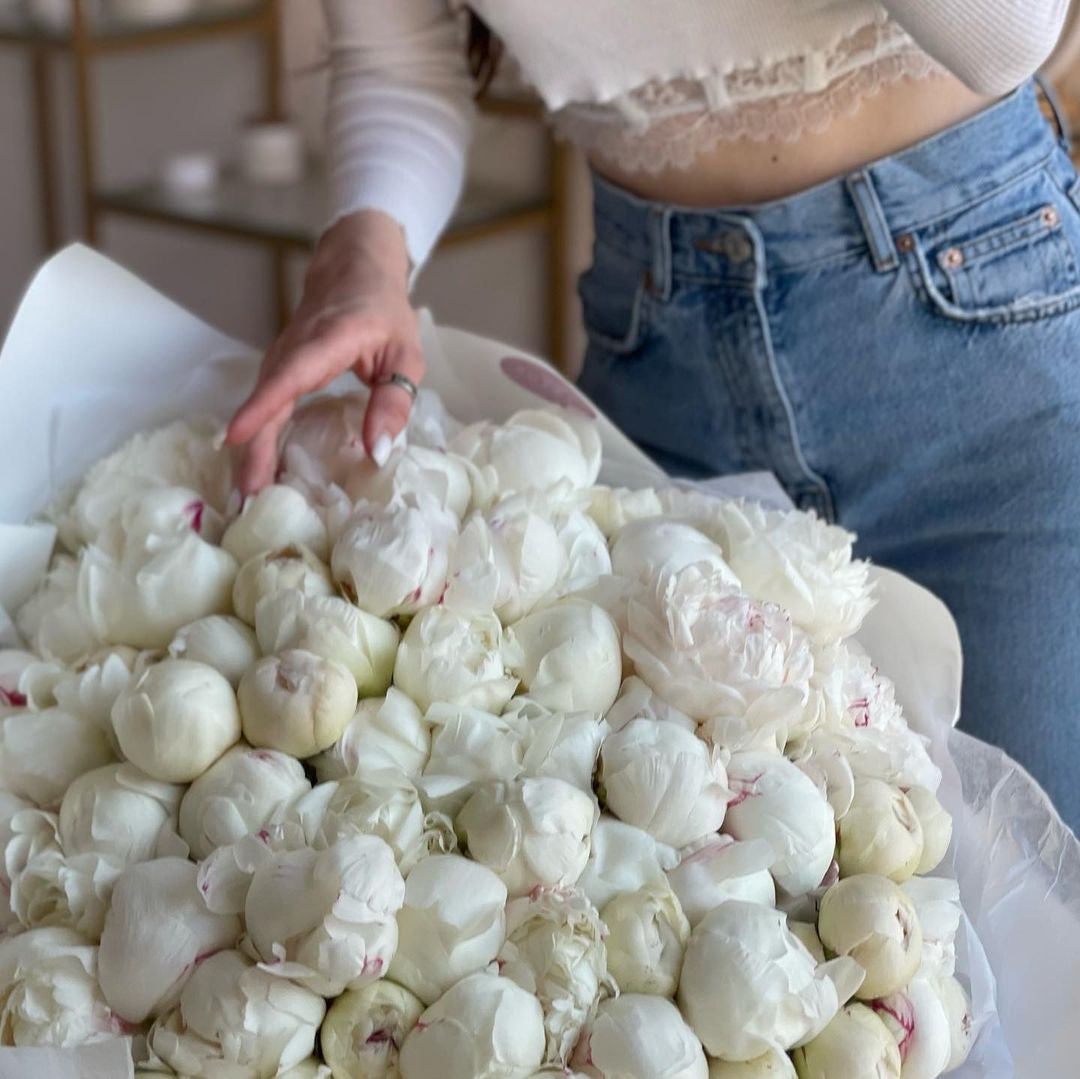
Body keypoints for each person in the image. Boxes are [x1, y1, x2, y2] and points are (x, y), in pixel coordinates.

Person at [226, 1, 1079, 830]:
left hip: (984, 351)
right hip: (663, 369)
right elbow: (399, 61)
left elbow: (1007, 36)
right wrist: (359, 267)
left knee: (1044, 899)